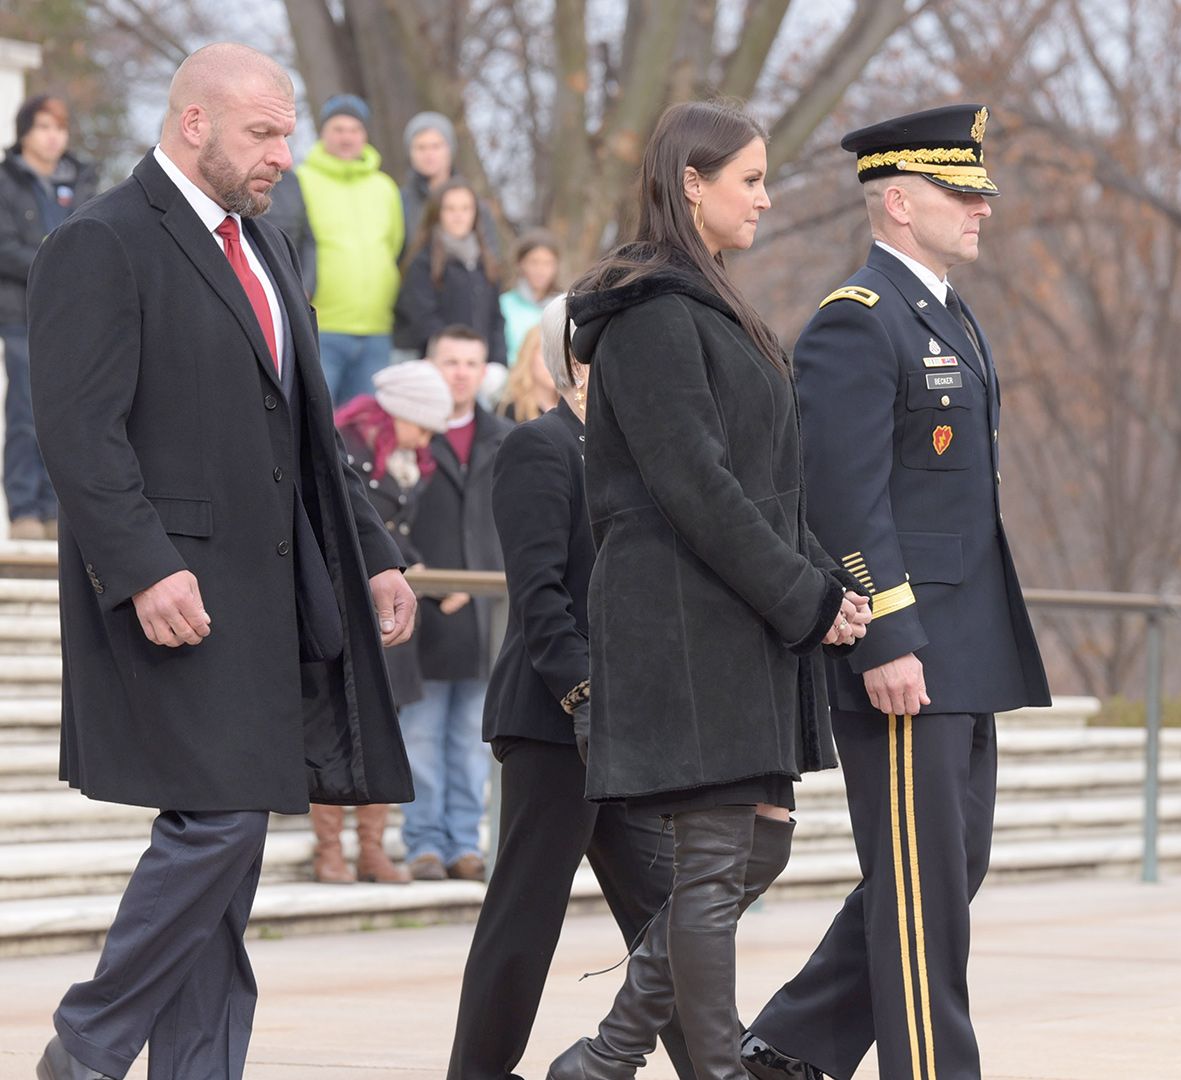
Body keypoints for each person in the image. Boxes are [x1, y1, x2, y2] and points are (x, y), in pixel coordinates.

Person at [26, 43, 417, 1080]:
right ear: (194, 122)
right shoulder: (101, 240)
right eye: (263, 131)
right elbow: (77, 431)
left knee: (229, 845)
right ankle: (90, 1043)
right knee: (224, 818)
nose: (282, 152)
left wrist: (372, 554)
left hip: (273, 594)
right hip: (172, 591)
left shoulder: (275, 248)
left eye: (286, 133)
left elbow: (312, 432)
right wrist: (144, 566)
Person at [545, 99, 871, 1080]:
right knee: (718, 865)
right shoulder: (646, 314)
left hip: (739, 627)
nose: (767, 198)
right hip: (686, 629)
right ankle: (715, 1071)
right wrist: (802, 597)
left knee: (749, 856)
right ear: (693, 183)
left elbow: (772, 479)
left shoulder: (709, 303)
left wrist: (827, 585)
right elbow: (697, 487)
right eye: (752, 180)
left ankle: (603, 1059)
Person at [742, 104, 1051, 1080]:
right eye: (963, 194)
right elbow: (843, 501)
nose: (981, 210)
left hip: (964, 641)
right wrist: (884, 636)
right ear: (901, 201)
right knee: (921, 894)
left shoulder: (946, 312)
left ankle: (787, 1048)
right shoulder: (855, 322)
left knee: (949, 870)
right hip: (908, 645)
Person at [447, 296, 693, 1080]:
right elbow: (540, 595)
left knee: (671, 921)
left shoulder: (633, 453)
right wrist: (583, 696)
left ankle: (715, 1067)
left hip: (629, 729)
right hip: (558, 726)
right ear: (579, 361)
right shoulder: (539, 448)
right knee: (523, 923)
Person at [308, 359, 456, 886]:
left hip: (387, 605)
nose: (430, 435)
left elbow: (391, 528)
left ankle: (371, 848)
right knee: (334, 729)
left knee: (382, 727)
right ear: (398, 413)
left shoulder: (406, 457)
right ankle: (329, 850)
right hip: (342, 602)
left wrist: (415, 567)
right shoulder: (350, 444)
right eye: (423, 423)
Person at [398, 324, 510, 882]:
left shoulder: (505, 437)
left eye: (471, 362)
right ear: (430, 365)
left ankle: (465, 842)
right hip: (422, 611)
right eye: (450, 361)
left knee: (471, 737)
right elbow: (388, 518)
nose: (461, 372)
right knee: (419, 734)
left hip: (488, 612)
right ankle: (422, 842)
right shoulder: (410, 435)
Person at [0, 94, 98, 539]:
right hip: (21, 313)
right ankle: (25, 509)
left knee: (71, 414)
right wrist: (55, 258)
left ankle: (63, 510)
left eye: (59, 126)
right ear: (24, 132)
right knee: (25, 412)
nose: (52, 135)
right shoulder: (6, 179)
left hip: (73, 313)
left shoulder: (82, 179)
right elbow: (5, 248)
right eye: (42, 126)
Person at [298, 92, 405, 403]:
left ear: (365, 135)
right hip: (321, 328)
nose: (347, 137)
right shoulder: (301, 180)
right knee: (317, 422)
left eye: (354, 130)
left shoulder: (384, 187)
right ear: (323, 133)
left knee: (365, 431)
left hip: (376, 332)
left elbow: (394, 246)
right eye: (338, 129)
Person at [394, 178, 509, 366]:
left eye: (466, 208)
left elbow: (496, 318)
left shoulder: (485, 262)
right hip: (438, 365)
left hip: (482, 366)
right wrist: (456, 358)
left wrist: (498, 362)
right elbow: (423, 320)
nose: (459, 216)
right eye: (450, 209)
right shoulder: (422, 262)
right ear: (437, 213)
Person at [400, 110, 498, 252]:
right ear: (411, 153)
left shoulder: (471, 202)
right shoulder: (400, 203)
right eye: (421, 147)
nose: (429, 154)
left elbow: (491, 254)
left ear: (450, 149)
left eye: (436, 146)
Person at [500, 229, 562, 369]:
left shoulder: (563, 306)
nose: (540, 270)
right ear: (521, 264)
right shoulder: (504, 304)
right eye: (534, 262)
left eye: (547, 263)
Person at [259, 166, 317, 297]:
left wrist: (306, 287)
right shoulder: (241, 182)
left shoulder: (291, 180)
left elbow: (307, 238)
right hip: (261, 288)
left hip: (292, 286)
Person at [496, 321, 558, 423]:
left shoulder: (575, 406)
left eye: (559, 356)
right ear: (528, 356)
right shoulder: (508, 410)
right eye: (547, 355)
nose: (554, 363)